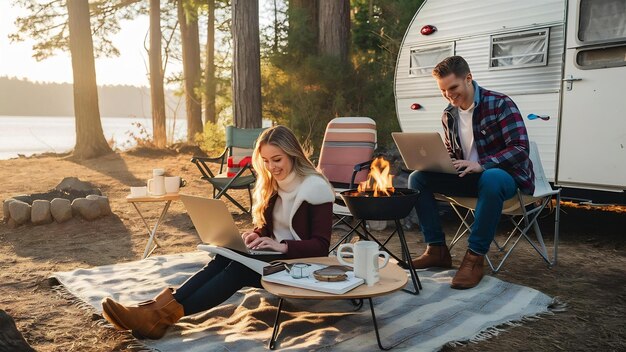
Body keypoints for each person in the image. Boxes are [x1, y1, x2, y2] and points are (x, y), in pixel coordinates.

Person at [101, 125, 335, 339]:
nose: (271, 167)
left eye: (277, 159)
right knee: (225, 254)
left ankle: (157, 317)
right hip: (275, 258)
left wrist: (281, 246)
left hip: (300, 266)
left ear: (292, 154)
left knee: (238, 269)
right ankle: (154, 311)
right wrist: (257, 234)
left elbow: (321, 246)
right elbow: (271, 226)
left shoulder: (315, 187)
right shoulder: (273, 183)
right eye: (265, 160)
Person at [408, 56, 534, 289]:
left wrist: (483, 164)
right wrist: (443, 162)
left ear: (468, 78)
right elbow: (451, 150)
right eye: (443, 91)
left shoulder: (499, 103)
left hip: (504, 177)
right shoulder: (449, 115)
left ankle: (474, 259)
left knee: (491, 177)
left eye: (453, 88)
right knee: (417, 178)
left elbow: (520, 148)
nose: (449, 95)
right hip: (468, 178)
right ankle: (436, 249)